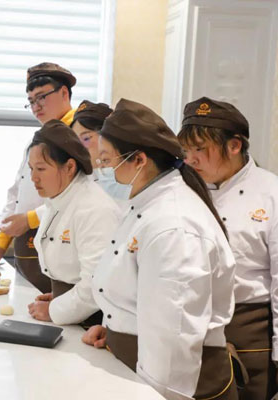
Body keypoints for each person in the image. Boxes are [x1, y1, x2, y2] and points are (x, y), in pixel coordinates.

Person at [82, 99, 237, 399]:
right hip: (134, 363)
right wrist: (116, 325)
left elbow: (172, 345)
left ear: (139, 159)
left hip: (174, 385)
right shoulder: (145, 204)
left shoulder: (173, 226)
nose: (102, 171)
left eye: (106, 160)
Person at [178, 97, 278, 399]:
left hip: (250, 336)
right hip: (190, 331)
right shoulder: (182, 190)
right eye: (186, 151)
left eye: (200, 149)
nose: (190, 160)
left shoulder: (271, 194)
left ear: (234, 146)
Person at [0, 62, 77, 293]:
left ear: (64, 93)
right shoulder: (38, 138)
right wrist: (1, 242)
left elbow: (77, 196)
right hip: (27, 245)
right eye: (31, 101)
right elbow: (17, 192)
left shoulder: (79, 135)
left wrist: (30, 219)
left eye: (41, 97)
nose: (36, 106)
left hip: (59, 243)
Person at [26, 120, 120, 326]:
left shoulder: (94, 209)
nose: (33, 178)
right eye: (31, 168)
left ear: (69, 167)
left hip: (94, 320)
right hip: (75, 310)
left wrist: (55, 310)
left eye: (40, 169)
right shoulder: (58, 199)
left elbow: (96, 285)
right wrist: (60, 296)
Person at [0, 100, 114, 239]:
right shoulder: (85, 177)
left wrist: (30, 219)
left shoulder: (120, 183)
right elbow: (60, 204)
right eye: (76, 141)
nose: (80, 148)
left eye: (86, 138)